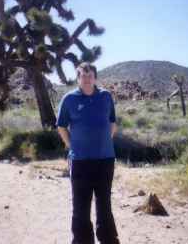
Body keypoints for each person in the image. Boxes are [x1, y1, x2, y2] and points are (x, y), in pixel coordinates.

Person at [57, 62, 120, 244]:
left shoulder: (106, 96)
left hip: (105, 160)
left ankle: (108, 239)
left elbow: (112, 123)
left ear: (95, 78)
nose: (86, 79)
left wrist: (104, 142)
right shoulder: (69, 99)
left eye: (90, 76)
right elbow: (61, 126)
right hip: (80, 162)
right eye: (83, 76)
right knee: (81, 206)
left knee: (104, 204)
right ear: (78, 79)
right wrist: (72, 146)